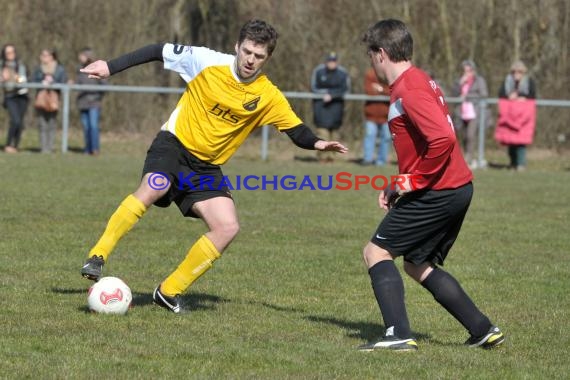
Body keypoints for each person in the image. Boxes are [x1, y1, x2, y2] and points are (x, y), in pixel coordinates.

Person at [79, 19, 348, 313]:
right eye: (247, 51)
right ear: (237, 47)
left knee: (227, 226)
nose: (250, 60)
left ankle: (168, 291)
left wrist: (318, 143)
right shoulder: (206, 61)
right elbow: (158, 50)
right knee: (155, 187)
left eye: (259, 56)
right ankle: (98, 255)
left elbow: (296, 130)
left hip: (205, 167)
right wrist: (111, 66)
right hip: (174, 144)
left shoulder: (267, 94)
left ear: (267, 58)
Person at [358, 19, 504, 351]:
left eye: (370, 56)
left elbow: (442, 138)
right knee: (417, 264)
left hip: (438, 190)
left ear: (381, 54)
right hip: (455, 187)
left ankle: (398, 335)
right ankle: (482, 329)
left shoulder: (408, 88)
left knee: (376, 252)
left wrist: (414, 180)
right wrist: (398, 183)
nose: (371, 63)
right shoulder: (421, 80)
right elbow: (423, 143)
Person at [495, 60, 537, 171]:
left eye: (519, 72)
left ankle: (521, 164)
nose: (516, 74)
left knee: (521, 143)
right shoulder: (507, 81)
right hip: (509, 115)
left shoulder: (529, 82)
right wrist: (510, 96)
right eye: (514, 72)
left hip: (523, 117)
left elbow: (532, 95)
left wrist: (521, 96)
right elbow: (501, 94)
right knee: (510, 142)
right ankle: (513, 163)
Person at [310, 51, 350, 162]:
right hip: (321, 108)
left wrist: (332, 95)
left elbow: (345, 89)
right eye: (329, 61)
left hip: (336, 108)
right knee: (323, 134)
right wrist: (325, 94)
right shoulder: (318, 71)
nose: (331, 63)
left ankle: (332, 158)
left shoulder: (342, 73)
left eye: (334, 61)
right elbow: (314, 87)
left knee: (335, 135)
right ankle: (322, 158)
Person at [451, 60, 488, 168]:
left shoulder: (479, 81)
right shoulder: (459, 81)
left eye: (469, 70)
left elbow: (484, 94)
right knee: (461, 137)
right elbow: (453, 94)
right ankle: (462, 158)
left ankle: (469, 158)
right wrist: (460, 84)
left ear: (473, 70)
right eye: (465, 70)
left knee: (470, 136)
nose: (467, 73)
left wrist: (467, 97)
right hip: (460, 112)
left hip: (474, 112)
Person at [32, 48, 67, 153]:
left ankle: (50, 147)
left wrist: (53, 82)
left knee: (52, 123)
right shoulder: (38, 68)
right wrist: (42, 80)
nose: (42, 57)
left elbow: (64, 81)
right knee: (42, 124)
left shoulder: (59, 69)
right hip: (41, 98)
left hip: (54, 99)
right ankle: (43, 148)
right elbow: (32, 80)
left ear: (52, 56)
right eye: (42, 55)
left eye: (45, 55)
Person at [76, 48, 106, 155]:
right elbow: (78, 84)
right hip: (82, 102)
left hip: (94, 102)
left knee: (93, 126)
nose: (80, 58)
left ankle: (95, 149)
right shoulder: (79, 69)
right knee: (86, 127)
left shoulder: (97, 68)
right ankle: (87, 149)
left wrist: (97, 96)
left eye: (82, 55)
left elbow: (104, 85)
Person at [1, 44, 29, 153]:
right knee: (15, 120)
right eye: (8, 52)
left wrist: (16, 77)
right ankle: (8, 144)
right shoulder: (2, 65)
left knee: (20, 122)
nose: (10, 55)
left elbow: (24, 79)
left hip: (22, 95)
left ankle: (15, 145)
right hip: (10, 96)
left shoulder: (20, 65)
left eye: (12, 52)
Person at [362, 67, 390, 166]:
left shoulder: (389, 74)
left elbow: (392, 91)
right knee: (370, 136)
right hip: (371, 114)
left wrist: (380, 89)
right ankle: (367, 159)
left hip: (386, 115)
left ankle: (381, 161)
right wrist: (383, 90)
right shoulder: (370, 74)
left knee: (386, 137)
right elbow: (368, 91)